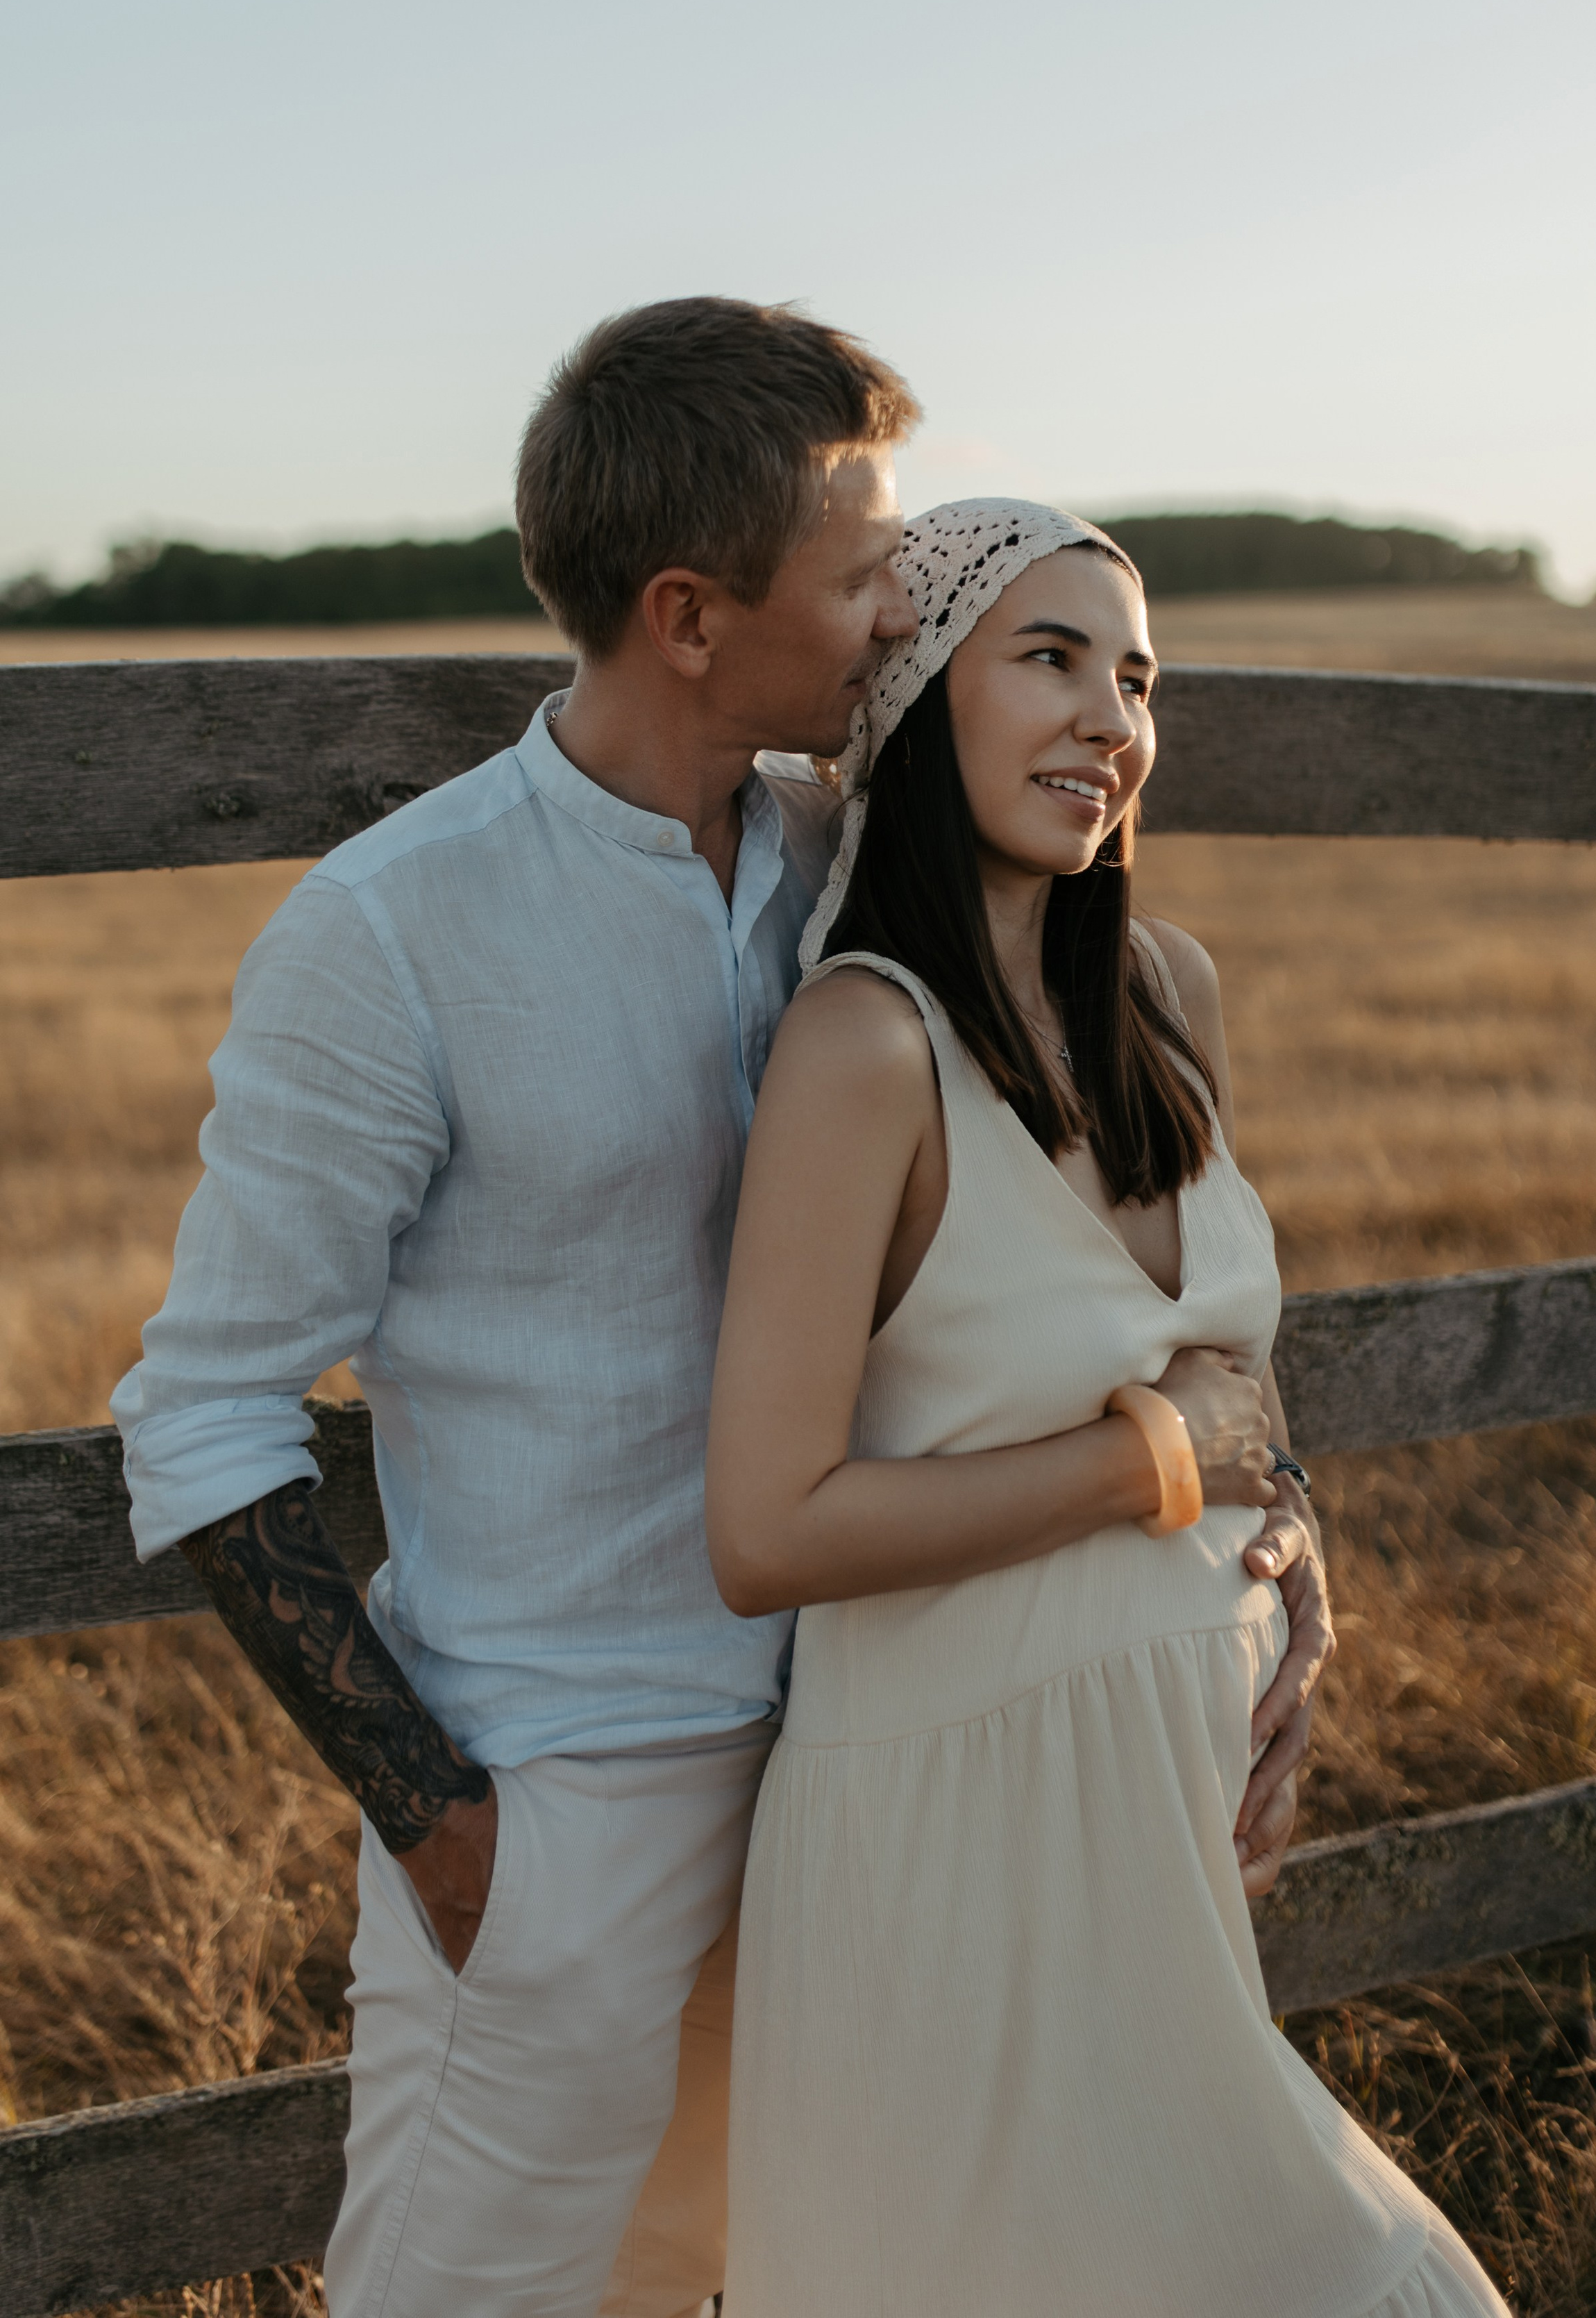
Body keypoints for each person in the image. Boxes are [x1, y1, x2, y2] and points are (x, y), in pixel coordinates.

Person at [112, 303, 1327, 2318]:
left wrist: (1272, 1550)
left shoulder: (851, 871)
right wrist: (454, 1837)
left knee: (750, 2278)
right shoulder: (393, 935)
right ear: (690, 614)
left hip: (862, 1786)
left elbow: (1122, 1246)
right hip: (559, 1804)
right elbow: (210, 1412)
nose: (895, 617)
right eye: (862, 575)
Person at [705, 501, 1509, 2317]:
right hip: (954, 1844)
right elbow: (767, 1531)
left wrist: (1289, 1597)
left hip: (1160, 1820)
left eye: (1137, 677)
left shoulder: (1165, 993)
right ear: (918, 695)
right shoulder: (864, 1045)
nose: (1111, 720)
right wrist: (1151, 1468)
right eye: (1050, 658)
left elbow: (1239, 1386)